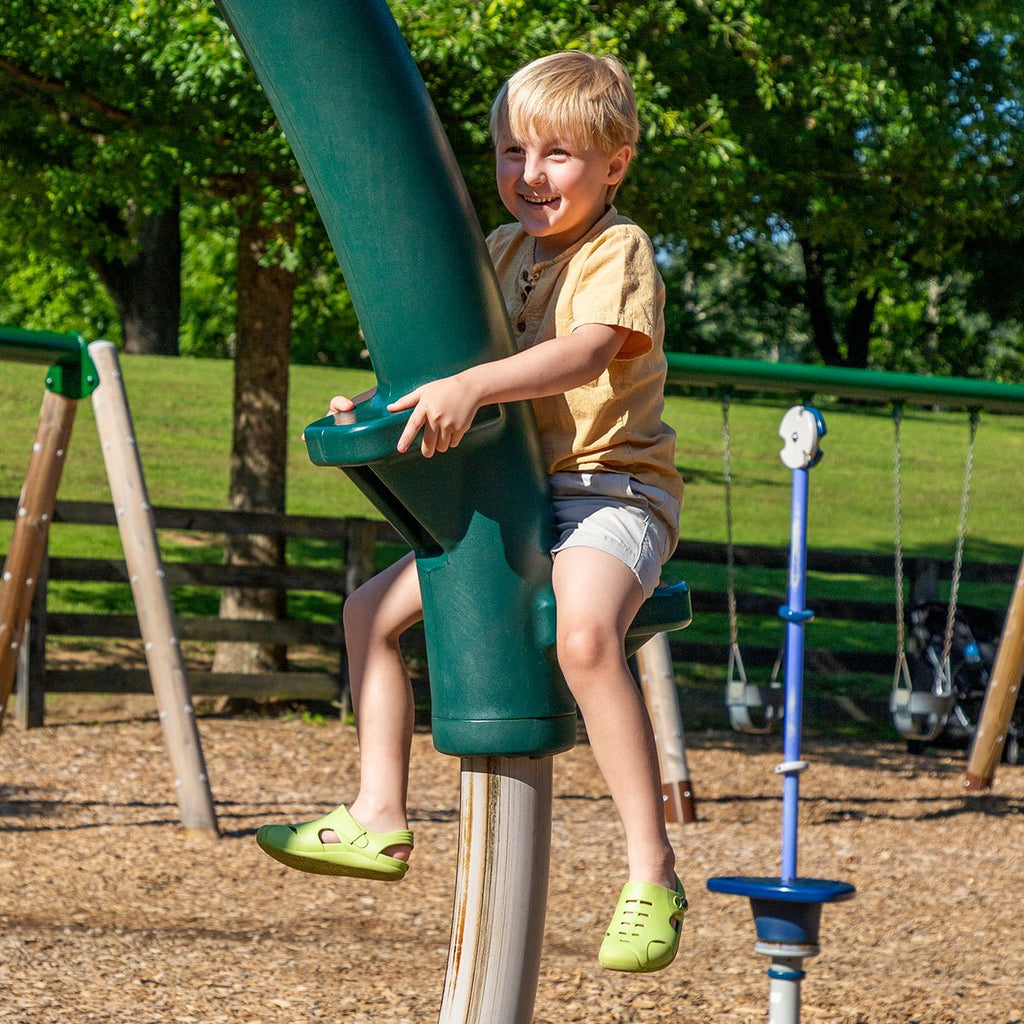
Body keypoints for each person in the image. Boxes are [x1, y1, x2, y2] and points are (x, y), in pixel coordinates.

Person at [257, 50, 687, 974]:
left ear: (615, 164)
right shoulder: (498, 252)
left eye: (558, 154)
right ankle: (379, 814)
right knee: (367, 614)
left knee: (579, 634)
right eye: (509, 152)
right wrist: (382, 408)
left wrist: (473, 386)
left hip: (611, 493)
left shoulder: (620, 250)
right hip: (516, 496)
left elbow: (583, 355)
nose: (529, 176)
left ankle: (651, 872)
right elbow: (446, 360)